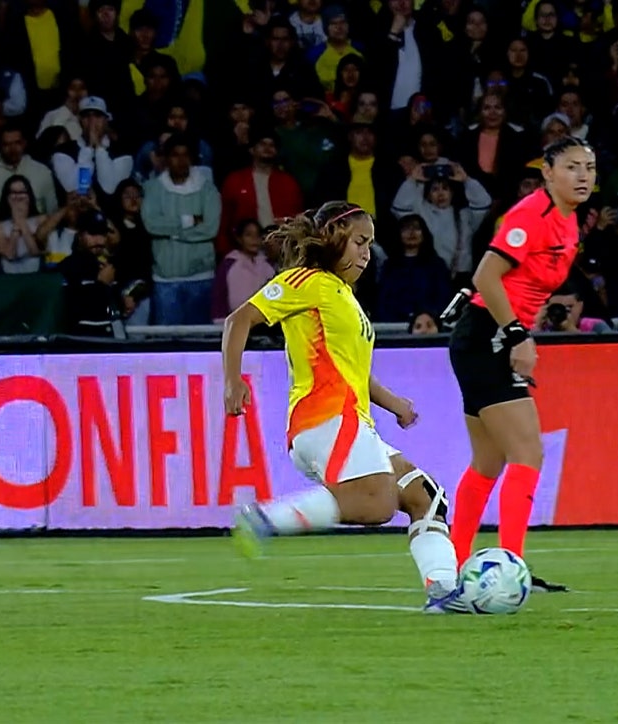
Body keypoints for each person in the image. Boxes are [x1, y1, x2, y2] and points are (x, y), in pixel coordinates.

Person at [222, 201, 468, 614]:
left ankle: (444, 593)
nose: (366, 254)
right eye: (358, 242)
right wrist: (233, 382)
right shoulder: (306, 281)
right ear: (331, 238)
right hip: (326, 418)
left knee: (425, 496)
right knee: (376, 504)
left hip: (352, 420)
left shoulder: (343, 296)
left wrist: (395, 405)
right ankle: (264, 519)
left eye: (370, 245)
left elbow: (355, 371)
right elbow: (238, 320)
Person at [447, 136, 596, 593]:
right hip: (489, 334)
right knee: (527, 453)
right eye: (571, 167)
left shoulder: (571, 222)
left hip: (486, 335)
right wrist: (517, 333)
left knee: (489, 461)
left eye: (589, 167)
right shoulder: (532, 215)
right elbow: (485, 276)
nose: (583, 176)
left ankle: (450, 567)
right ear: (548, 172)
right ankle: (511, 564)